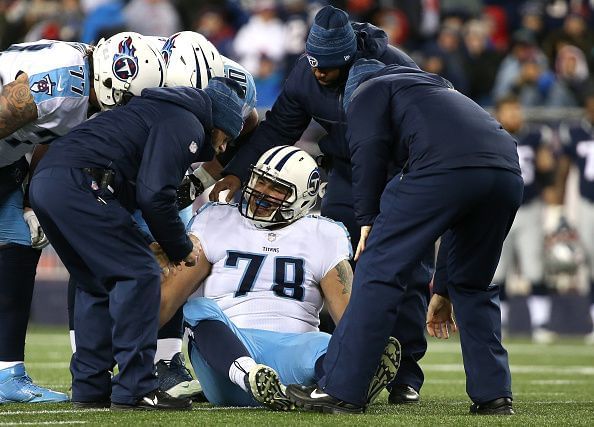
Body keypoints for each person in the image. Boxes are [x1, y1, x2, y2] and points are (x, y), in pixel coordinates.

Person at [210, 5, 432, 404]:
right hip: (347, 172)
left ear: (351, 58)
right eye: (314, 63)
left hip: (401, 172)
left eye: (328, 66)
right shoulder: (305, 71)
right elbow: (279, 128)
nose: (319, 73)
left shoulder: (393, 68)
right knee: (332, 261)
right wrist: (237, 171)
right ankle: (341, 362)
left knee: (407, 268)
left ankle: (405, 373)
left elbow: (427, 125)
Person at [285, 59, 523, 415]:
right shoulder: (439, 92)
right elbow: (460, 211)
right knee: (472, 285)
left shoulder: (368, 89)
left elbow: (367, 151)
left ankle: (341, 389)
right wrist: (442, 288)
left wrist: (366, 220)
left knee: (378, 270)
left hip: (443, 167)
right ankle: (494, 395)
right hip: (506, 170)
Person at [28, 76, 245, 410]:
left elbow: (130, 191)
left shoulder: (156, 111)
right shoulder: (185, 121)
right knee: (141, 275)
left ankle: (90, 388)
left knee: (95, 282)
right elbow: (155, 194)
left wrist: (148, 240)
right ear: (217, 124)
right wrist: (179, 247)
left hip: (51, 183)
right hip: (81, 182)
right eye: (226, 138)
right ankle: (137, 387)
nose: (222, 148)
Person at [155, 146, 401, 410]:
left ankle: (347, 378)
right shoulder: (216, 218)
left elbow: (349, 322)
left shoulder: (324, 234)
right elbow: (166, 302)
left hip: (292, 354)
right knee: (199, 309)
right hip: (224, 359)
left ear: (304, 198)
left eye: (277, 188)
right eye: (260, 180)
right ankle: (251, 374)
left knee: (326, 345)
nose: (262, 192)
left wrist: (363, 348)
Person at [0, 33, 164, 404]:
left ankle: (6, 371)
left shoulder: (81, 79)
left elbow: (51, 137)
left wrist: (29, 201)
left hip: (6, 163)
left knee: (17, 247)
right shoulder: (64, 83)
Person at [492, 95, 556, 336]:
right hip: (500, 209)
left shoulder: (535, 136)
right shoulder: (491, 135)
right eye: (509, 111)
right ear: (499, 113)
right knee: (498, 270)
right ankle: (502, 323)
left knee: (535, 267)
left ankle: (542, 324)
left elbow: (547, 170)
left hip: (529, 207)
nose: (514, 115)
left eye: (517, 110)